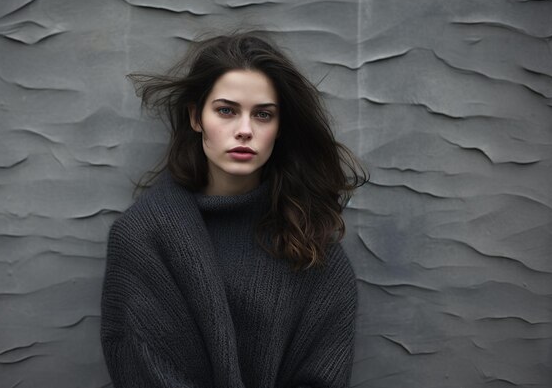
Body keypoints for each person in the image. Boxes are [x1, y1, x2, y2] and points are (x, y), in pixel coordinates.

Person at [100, 32, 368, 388]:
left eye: (263, 115)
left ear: (279, 126)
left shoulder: (313, 245)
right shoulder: (142, 237)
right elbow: (142, 369)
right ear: (196, 117)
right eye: (226, 110)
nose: (245, 130)